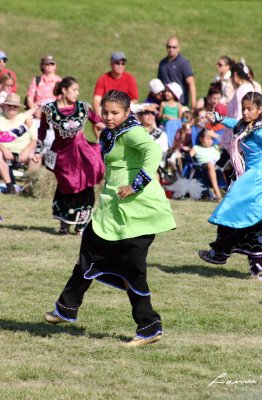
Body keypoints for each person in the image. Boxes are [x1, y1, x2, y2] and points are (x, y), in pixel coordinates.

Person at [44, 90, 176, 347]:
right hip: (112, 211)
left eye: (115, 112)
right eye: (105, 112)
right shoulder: (109, 133)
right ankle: (66, 308)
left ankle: (149, 327)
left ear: (127, 112)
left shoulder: (133, 131)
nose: (109, 116)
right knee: (89, 252)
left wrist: (136, 184)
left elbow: (152, 151)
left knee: (133, 268)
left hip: (139, 212)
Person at [198, 92, 262, 280]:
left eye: (249, 109)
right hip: (251, 177)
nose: (244, 112)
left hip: (259, 178)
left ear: (260, 110)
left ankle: (221, 251)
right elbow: (234, 124)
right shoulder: (247, 125)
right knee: (249, 221)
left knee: (231, 210)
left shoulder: (261, 130)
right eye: (243, 108)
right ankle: (253, 262)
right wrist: (218, 118)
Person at [34, 76, 105, 235]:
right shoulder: (50, 109)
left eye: (78, 90)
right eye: (74, 90)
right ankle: (64, 224)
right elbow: (42, 132)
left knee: (86, 186)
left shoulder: (83, 107)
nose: (77, 93)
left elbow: (99, 122)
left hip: (83, 153)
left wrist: (109, 129)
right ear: (64, 90)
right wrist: (38, 151)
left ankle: (81, 225)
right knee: (67, 186)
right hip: (63, 156)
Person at [0, 93, 40, 194]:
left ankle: (29, 187)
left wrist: (26, 151)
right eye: (9, 105)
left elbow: (34, 140)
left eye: (15, 106)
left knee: (36, 157)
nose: (12, 108)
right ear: (3, 106)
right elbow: (7, 136)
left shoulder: (25, 118)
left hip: (24, 151)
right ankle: (10, 187)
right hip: (4, 151)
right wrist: (4, 149)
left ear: (18, 108)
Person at [220, 62, 255, 154]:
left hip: (238, 135)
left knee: (224, 166)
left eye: (231, 77)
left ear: (235, 74)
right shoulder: (250, 86)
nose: (231, 80)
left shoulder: (242, 90)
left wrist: (235, 136)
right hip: (246, 133)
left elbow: (239, 115)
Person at [93, 52, 139, 116]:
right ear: (111, 64)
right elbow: (97, 99)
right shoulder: (103, 79)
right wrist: (98, 114)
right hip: (107, 111)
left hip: (124, 111)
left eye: (123, 64)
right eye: (117, 63)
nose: (120, 66)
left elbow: (134, 100)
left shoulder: (130, 79)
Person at [157, 36, 196, 109]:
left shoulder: (183, 63)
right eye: (169, 47)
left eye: (174, 47)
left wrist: (193, 103)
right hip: (165, 104)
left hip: (180, 104)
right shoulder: (162, 63)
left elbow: (191, 83)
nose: (171, 49)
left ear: (178, 48)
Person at [26, 55, 61, 121]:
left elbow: (61, 100)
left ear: (55, 66)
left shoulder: (59, 81)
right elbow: (30, 98)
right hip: (37, 114)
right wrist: (35, 111)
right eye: (47, 64)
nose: (50, 66)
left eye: (52, 64)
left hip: (53, 115)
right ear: (42, 66)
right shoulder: (37, 80)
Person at [190, 128, 222, 201]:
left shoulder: (216, 147)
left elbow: (226, 142)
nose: (210, 140)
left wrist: (215, 135)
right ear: (201, 139)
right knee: (210, 164)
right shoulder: (196, 148)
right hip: (205, 168)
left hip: (220, 167)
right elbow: (188, 158)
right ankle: (217, 193)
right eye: (207, 138)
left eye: (211, 138)